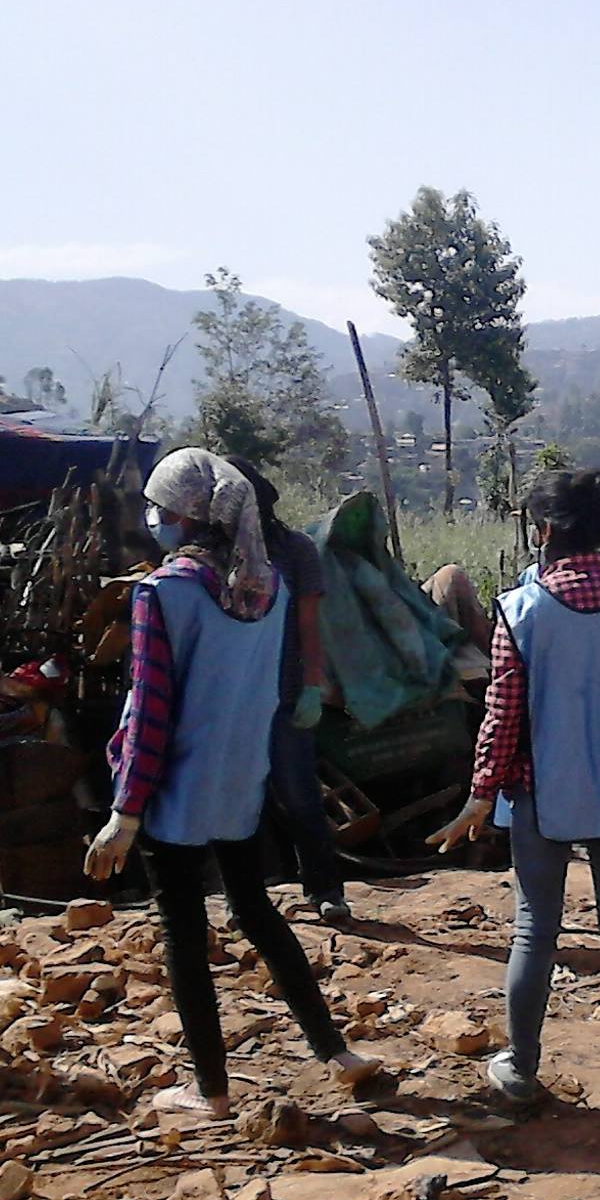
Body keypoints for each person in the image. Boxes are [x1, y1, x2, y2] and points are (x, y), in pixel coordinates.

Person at [85, 448, 379, 1117]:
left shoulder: (162, 594)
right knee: (258, 913)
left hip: (174, 793)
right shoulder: (265, 589)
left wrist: (125, 812)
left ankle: (211, 1090)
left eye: (159, 510)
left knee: (184, 937)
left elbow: (151, 706)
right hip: (240, 783)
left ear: (185, 517)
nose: (154, 520)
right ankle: (335, 1050)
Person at [431, 469, 600, 1109]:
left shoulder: (520, 612)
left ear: (544, 531)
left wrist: (479, 794)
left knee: (535, 932)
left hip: (543, 794)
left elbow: (502, 712)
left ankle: (520, 1070)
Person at [226, 456, 348, 923]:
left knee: (299, 795)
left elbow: (309, 626)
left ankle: (325, 890)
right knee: (240, 800)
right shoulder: (214, 556)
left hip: (284, 692)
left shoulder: (294, 550)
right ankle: (245, 901)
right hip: (234, 697)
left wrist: (312, 686)